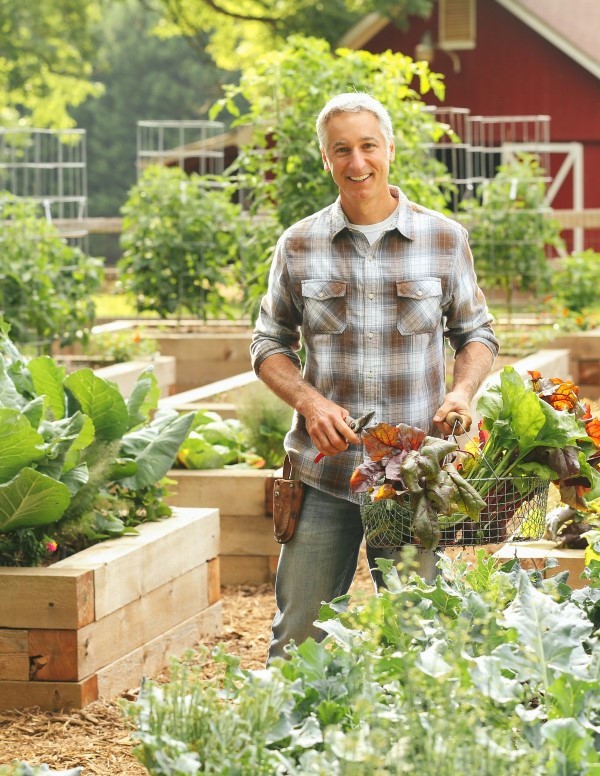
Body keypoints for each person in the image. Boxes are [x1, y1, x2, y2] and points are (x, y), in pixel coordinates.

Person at [250, 92, 499, 662]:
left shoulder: (443, 238)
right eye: (342, 150)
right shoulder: (298, 244)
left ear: (389, 149)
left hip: (412, 477)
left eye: (367, 146)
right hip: (324, 474)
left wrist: (461, 392)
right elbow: (268, 343)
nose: (356, 162)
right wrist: (311, 403)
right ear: (325, 158)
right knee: (297, 641)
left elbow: (476, 333)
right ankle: (294, 748)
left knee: (422, 644)